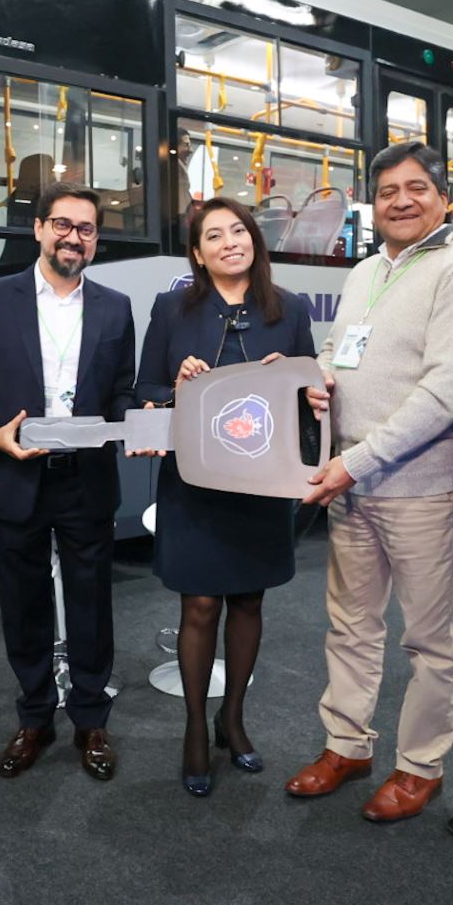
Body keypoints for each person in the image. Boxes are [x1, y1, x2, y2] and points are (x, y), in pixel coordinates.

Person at [286, 140, 453, 823]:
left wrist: (355, 461)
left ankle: (420, 766)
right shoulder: (365, 270)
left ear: (445, 197)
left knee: (428, 640)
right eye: (387, 192)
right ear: (372, 204)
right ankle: (347, 745)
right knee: (350, 628)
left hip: (423, 489)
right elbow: (338, 347)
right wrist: (320, 376)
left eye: (416, 188)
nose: (401, 201)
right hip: (354, 483)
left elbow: (446, 394)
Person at [0, 182, 135, 782]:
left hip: (86, 481)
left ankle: (89, 718)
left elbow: (124, 389)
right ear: (37, 229)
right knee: (23, 606)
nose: (72, 237)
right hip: (14, 476)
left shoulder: (115, 306)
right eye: (62, 224)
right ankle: (33, 717)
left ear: (95, 240)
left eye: (85, 229)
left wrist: (136, 422)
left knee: (91, 605)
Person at [134, 199, 316, 797]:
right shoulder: (171, 309)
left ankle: (231, 719)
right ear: (197, 253)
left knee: (248, 604)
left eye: (239, 230)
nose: (229, 241)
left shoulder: (289, 309)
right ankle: (193, 725)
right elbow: (145, 392)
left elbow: (311, 399)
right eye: (214, 235)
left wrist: (292, 379)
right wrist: (176, 386)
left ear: (254, 242)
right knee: (200, 606)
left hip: (262, 483)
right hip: (196, 483)